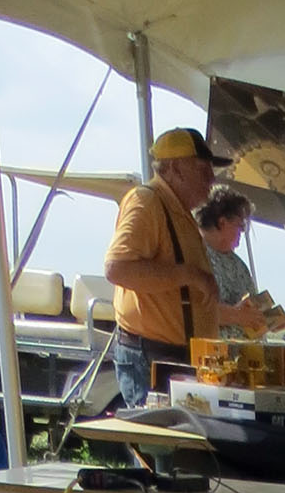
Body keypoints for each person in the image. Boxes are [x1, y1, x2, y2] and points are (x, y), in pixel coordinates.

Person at [103, 128, 229, 404]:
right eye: (203, 169)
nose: (212, 178)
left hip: (169, 356)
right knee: (160, 442)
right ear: (174, 169)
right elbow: (117, 268)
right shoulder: (147, 201)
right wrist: (189, 275)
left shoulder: (176, 209)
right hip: (151, 357)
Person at [195, 187, 271, 335]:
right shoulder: (191, 255)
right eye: (240, 225)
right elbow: (187, 311)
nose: (243, 231)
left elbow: (250, 312)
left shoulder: (239, 266)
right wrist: (235, 315)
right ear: (222, 223)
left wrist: (267, 320)